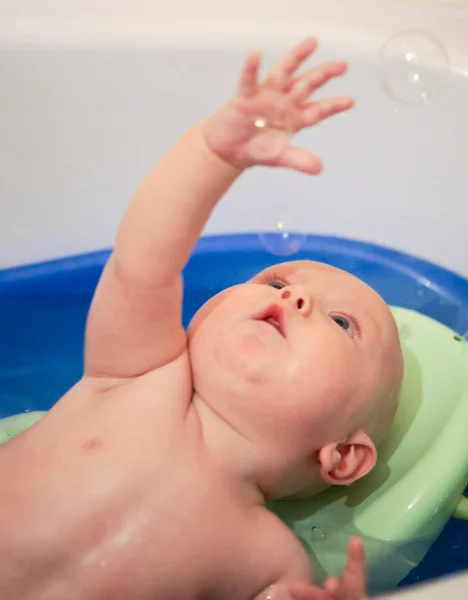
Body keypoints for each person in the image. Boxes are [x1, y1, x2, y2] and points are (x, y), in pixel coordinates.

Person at [0, 37, 403, 600]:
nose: (294, 299)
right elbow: (144, 261)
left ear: (342, 457)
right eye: (278, 283)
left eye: (341, 324)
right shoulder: (135, 375)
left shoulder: (274, 562)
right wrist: (212, 156)